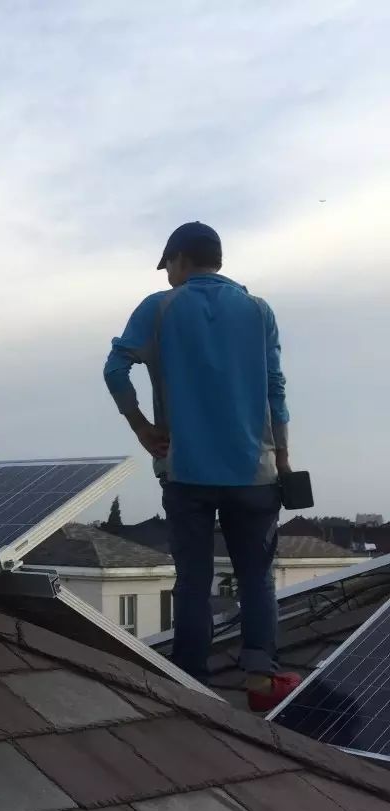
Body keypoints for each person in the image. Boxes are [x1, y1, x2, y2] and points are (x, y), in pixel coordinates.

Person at [103, 222, 300, 712]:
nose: (168, 275)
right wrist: (285, 457)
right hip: (255, 472)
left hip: (185, 470)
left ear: (178, 260)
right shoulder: (259, 311)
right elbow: (276, 389)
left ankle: (191, 683)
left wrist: (141, 427)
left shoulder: (160, 308)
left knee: (192, 579)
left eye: (168, 266)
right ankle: (259, 681)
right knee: (256, 576)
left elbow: (114, 368)